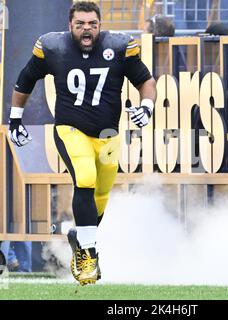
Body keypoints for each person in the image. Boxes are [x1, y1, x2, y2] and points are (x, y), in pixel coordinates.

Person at [8, 1, 157, 286]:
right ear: (70, 25)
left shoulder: (119, 46)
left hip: (107, 136)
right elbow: (26, 79)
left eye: (92, 23)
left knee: (100, 197)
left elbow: (145, 81)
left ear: (100, 24)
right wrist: (15, 119)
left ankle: (80, 236)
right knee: (85, 179)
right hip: (70, 129)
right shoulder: (54, 47)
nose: (86, 29)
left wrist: (147, 107)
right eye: (80, 24)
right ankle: (88, 255)